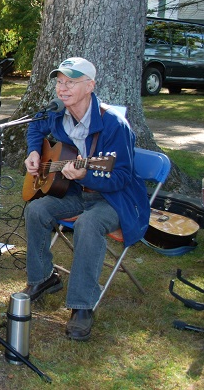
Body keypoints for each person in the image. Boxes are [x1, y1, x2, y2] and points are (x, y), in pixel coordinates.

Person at [22, 57, 150, 341]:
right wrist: (34, 152)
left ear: (90, 86)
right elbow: (35, 128)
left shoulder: (115, 125)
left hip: (115, 199)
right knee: (37, 210)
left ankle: (82, 306)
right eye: (59, 82)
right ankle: (44, 278)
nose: (62, 88)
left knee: (88, 224)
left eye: (71, 82)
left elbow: (122, 177)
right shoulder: (56, 112)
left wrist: (85, 176)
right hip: (76, 192)